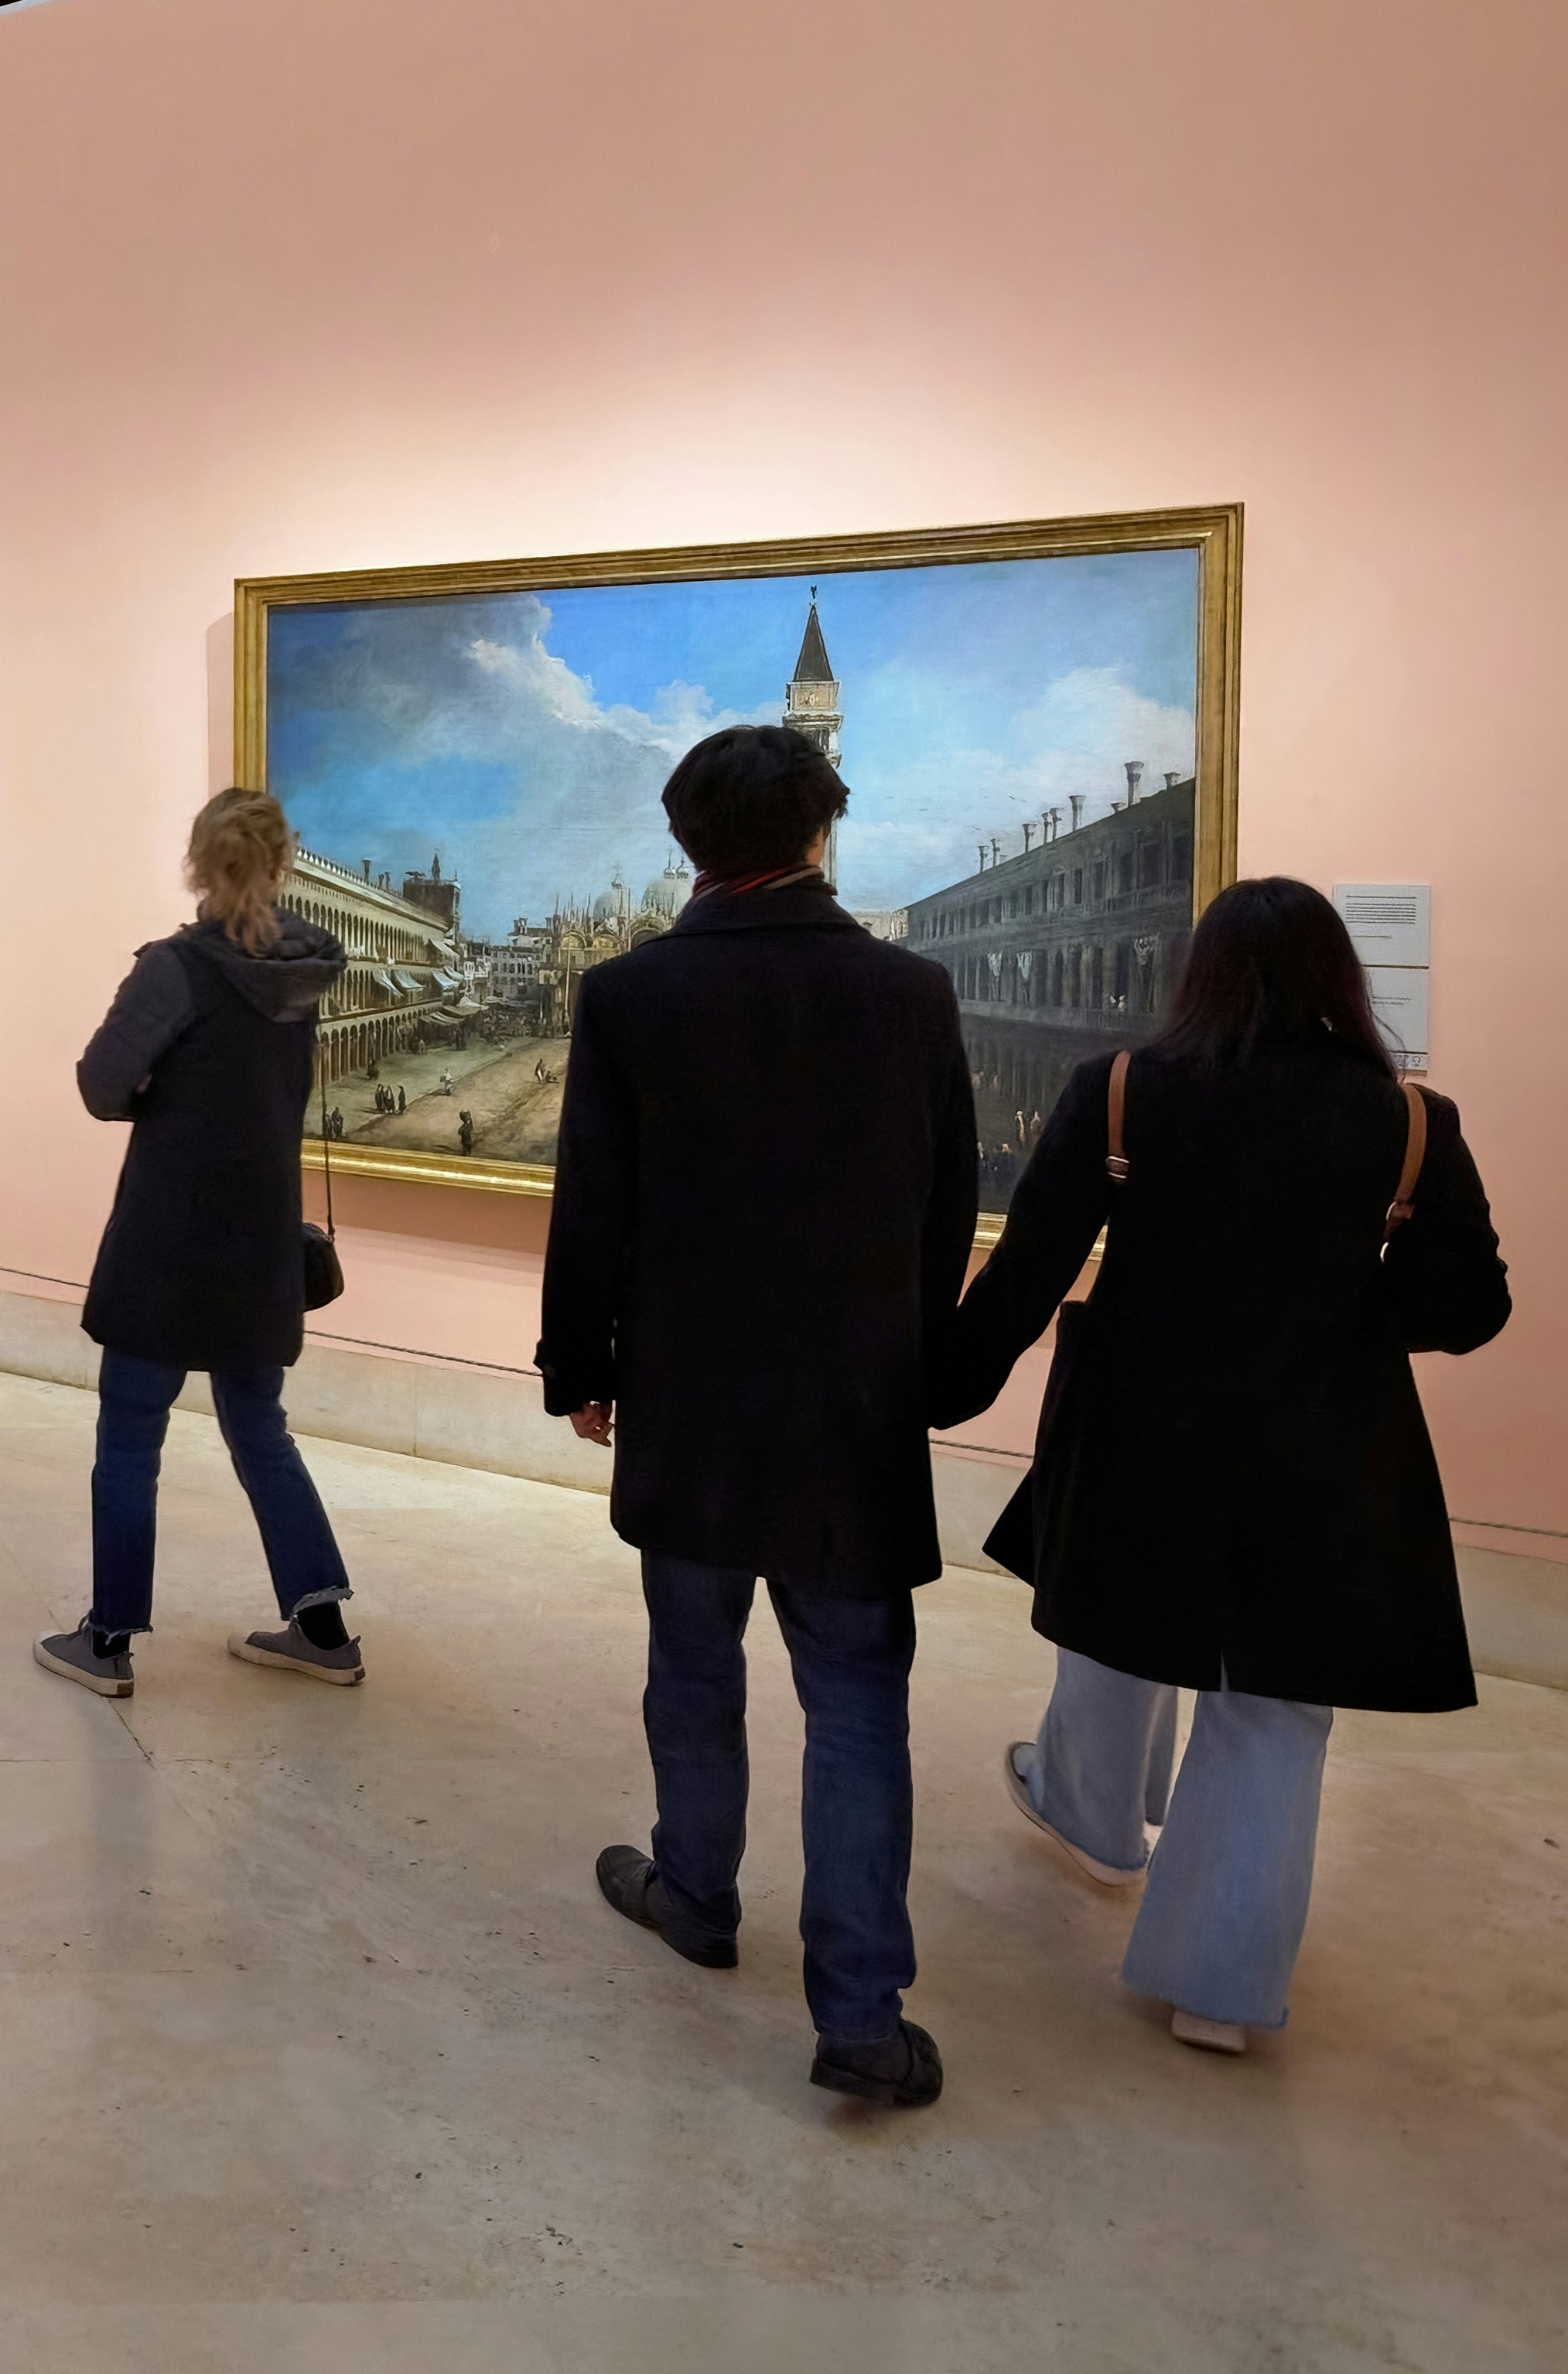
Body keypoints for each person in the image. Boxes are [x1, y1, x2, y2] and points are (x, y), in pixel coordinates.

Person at [934, 876, 1511, 2056]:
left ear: (1197, 973)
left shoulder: (1122, 1092)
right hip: (1322, 1433)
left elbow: (1030, 1267)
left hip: (1144, 1414)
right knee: (1275, 1705)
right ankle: (1218, 1988)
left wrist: (940, 1388)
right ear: (1338, 979)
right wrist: (1350, 1314)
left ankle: (1089, 1819)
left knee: (1114, 1619)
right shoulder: (1405, 1119)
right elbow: (1470, 1304)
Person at [538, 721, 975, 2111]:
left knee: (691, 1660)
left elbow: (592, 1203)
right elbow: (942, 1206)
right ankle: (858, 2014)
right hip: (851, 1407)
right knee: (853, 1705)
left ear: (684, 842)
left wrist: (577, 1364)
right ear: (818, 830)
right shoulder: (908, 992)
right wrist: (914, 1362)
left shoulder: (631, 995)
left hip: (690, 1391)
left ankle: (695, 1888)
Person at [33, 787, 363, 1699]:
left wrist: (154, 1099)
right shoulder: (307, 972)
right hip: (259, 1243)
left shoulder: (173, 970)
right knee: (261, 1429)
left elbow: (102, 1086)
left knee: (131, 1438)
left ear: (198, 862)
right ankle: (324, 1625)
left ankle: (106, 1640)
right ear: (283, 862)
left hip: (170, 1238)